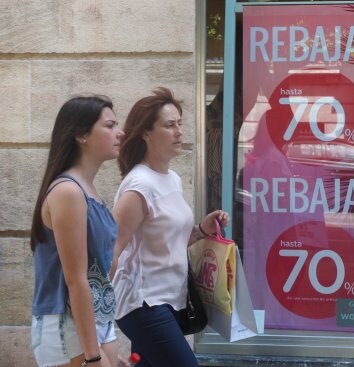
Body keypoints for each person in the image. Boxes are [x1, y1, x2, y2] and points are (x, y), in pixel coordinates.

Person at [110, 87, 229, 367]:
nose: (179, 131)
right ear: (146, 133)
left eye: (180, 123)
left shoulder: (171, 179)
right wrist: (96, 320)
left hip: (172, 299)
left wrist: (202, 229)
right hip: (144, 304)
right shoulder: (139, 185)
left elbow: (167, 241)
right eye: (169, 125)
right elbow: (111, 250)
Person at [30, 95, 125, 367]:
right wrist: (93, 355)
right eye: (109, 125)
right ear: (81, 135)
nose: (120, 132)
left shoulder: (89, 191)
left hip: (93, 321)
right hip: (66, 322)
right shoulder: (68, 192)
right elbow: (76, 280)